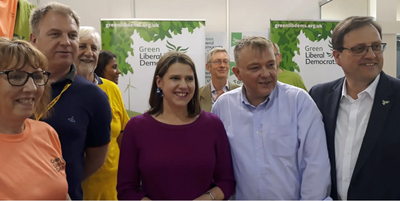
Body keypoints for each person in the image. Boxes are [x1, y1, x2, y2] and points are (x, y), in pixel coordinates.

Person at [212, 36, 331, 200]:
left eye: (270, 65)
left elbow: (316, 166)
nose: (266, 74)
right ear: (238, 73)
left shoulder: (299, 102)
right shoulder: (223, 107)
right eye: (255, 68)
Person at [117, 51, 236, 200]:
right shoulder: (136, 128)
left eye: (189, 79)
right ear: (159, 82)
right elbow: (126, 189)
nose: (183, 85)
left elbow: (227, 181)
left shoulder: (212, 125)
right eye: (175, 78)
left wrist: (206, 198)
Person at [309, 16, 400, 200]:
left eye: (376, 46)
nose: (371, 55)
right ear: (337, 56)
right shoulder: (319, 97)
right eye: (359, 49)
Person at [29, 2, 112, 200]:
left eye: (72, 35)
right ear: (34, 39)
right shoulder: (11, 84)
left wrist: (60, 181)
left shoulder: (94, 97)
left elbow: (96, 157)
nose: (66, 42)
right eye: (55, 34)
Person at [0, 38, 69, 199]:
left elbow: (61, 193)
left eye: (37, 76)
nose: (32, 88)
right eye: (16, 76)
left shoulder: (46, 133)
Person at [75, 26, 130, 200]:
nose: (88, 53)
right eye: (82, 46)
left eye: (94, 48)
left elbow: (123, 135)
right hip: (77, 188)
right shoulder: (60, 90)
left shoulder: (111, 89)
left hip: (112, 188)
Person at [199, 48, 240, 112]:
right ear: (208, 67)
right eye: (217, 62)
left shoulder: (241, 93)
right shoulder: (197, 95)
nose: (222, 65)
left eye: (225, 61)